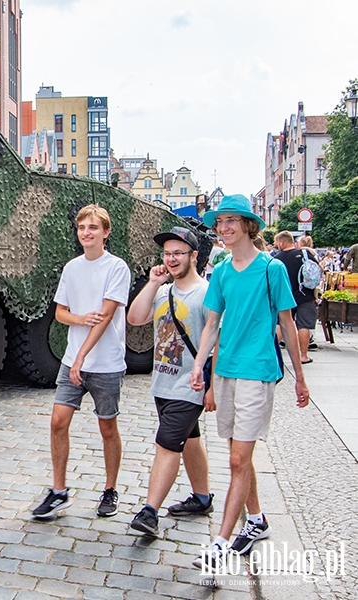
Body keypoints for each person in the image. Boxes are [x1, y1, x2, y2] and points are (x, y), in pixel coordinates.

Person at [189, 194, 310, 569]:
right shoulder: (222, 271)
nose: (223, 228)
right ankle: (256, 519)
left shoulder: (271, 270)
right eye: (220, 222)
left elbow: (287, 324)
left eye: (231, 221)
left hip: (258, 370)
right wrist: (200, 368)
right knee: (238, 457)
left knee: (240, 459)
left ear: (248, 226)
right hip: (225, 371)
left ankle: (222, 542)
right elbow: (212, 324)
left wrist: (299, 378)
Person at [31, 204, 131, 519]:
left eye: (92, 227)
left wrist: (82, 355)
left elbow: (105, 317)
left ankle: (110, 490)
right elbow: (60, 313)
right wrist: (79, 319)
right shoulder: (72, 268)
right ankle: (59, 491)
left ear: (105, 232)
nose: (86, 233)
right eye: (81, 227)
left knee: (107, 427)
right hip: (73, 361)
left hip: (106, 363)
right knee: (58, 422)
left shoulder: (117, 268)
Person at [126, 227, 214, 536]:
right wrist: (152, 283)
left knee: (167, 444)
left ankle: (149, 511)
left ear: (194, 256)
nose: (172, 258)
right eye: (167, 253)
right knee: (190, 438)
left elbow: (217, 339)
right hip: (163, 381)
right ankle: (202, 498)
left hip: (190, 386)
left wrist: (212, 386)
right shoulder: (164, 291)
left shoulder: (205, 294)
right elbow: (135, 318)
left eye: (178, 253)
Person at [274, 231, 319, 365]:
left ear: (282, 242)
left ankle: (273, 354)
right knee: (303, 325)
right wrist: (316, 295)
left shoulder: (277, 258)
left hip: (285, 296)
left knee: (280, 324)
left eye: (277, 242)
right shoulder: (305, 254)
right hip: (305, 294)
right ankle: (303, 356)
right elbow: (317, 271)